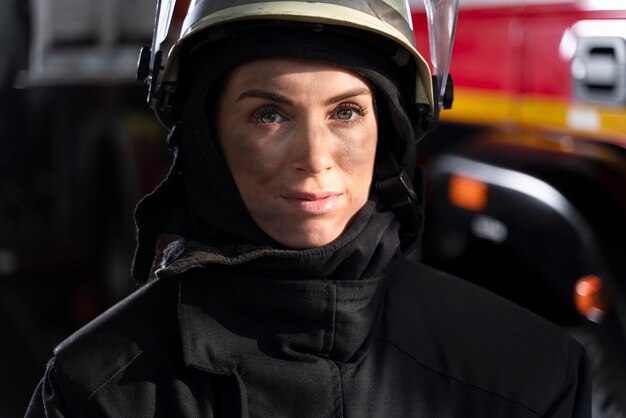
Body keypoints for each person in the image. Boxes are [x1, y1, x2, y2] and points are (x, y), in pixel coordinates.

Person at [26, 0, 591, 416]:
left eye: (345, 112)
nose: (315, 159)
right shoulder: (97, 390)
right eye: (269, 115)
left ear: (387, 130)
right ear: (208, 138)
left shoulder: (531, 375)